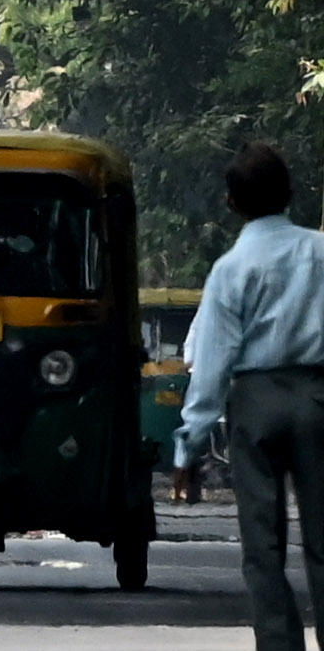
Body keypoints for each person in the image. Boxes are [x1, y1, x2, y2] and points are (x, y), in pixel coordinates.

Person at [174, 142, 324, 651]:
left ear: (231, 203)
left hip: (255, 403)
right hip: (317, 398)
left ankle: (280, 644)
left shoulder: (230, 269)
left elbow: (213, 362)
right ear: (290, 193)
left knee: (263, 542)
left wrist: (189, 441)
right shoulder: (320, 252)